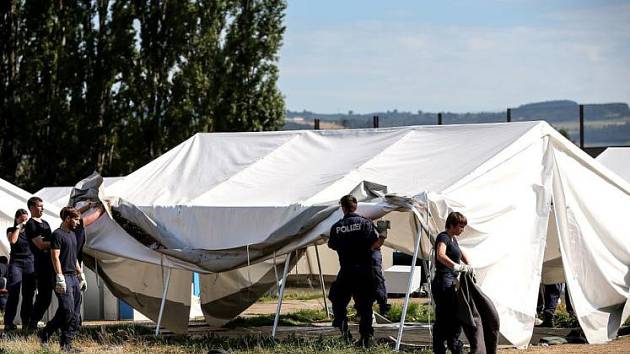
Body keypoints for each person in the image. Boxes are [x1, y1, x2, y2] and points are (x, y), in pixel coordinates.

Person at [327, 195, 385, 348]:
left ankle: (345, 333)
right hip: (364, 272)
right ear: (356, 206)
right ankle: (366, 339)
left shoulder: (336, 227)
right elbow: (375, 245)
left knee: (337, 301)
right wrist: (383, 234)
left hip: (346, 271)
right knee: (365, 306)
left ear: (343, 207)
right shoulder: (365, 223)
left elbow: (332, 245)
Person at [38, 207, 85, 352]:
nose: (78, 222)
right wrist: (59, 276)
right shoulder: (57, 234)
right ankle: (45, 333)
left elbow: (74, 257)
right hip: (62, 277)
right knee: (67, 310)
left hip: (73, 277)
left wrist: (80, 273)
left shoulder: (72, 235)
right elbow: (55, 256)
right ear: (67, 218)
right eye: (75, 219)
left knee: (76, 315)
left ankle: (66, 345)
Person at [432, 211, 474, 354]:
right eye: (460, 226)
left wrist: (468, 265)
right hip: (443, 281)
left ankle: (454, 345)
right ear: (451, 225)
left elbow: (460, 253)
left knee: (454, 317)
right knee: (444, 316)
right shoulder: (443, 237)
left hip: (451, 281)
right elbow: (440, 255)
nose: (462, 229)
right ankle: (440, 348)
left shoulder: (453, 239)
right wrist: (455, 266)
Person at [4, 209, 36, 330]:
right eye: (22, 219)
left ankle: (26, 322)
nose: (24, 221)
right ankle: (8, 322)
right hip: (16, 263)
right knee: (14, 293)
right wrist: (19, 227)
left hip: (30, 263)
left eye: (26, 219)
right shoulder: (11, 230)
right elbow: (12, 240)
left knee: (28, 294)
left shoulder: (31, 231)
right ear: (17, 219)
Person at [25, 197, 54, 330]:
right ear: (31, 208)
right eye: (39, 206)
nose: (42, 208)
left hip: (52, 262)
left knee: (50, 296)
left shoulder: (46, 223)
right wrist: (55, 243)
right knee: (44, 296)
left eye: (43, 206)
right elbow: (41, 244)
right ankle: (33, 322)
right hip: (41, 265)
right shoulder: (31, 224)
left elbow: (48, 242)